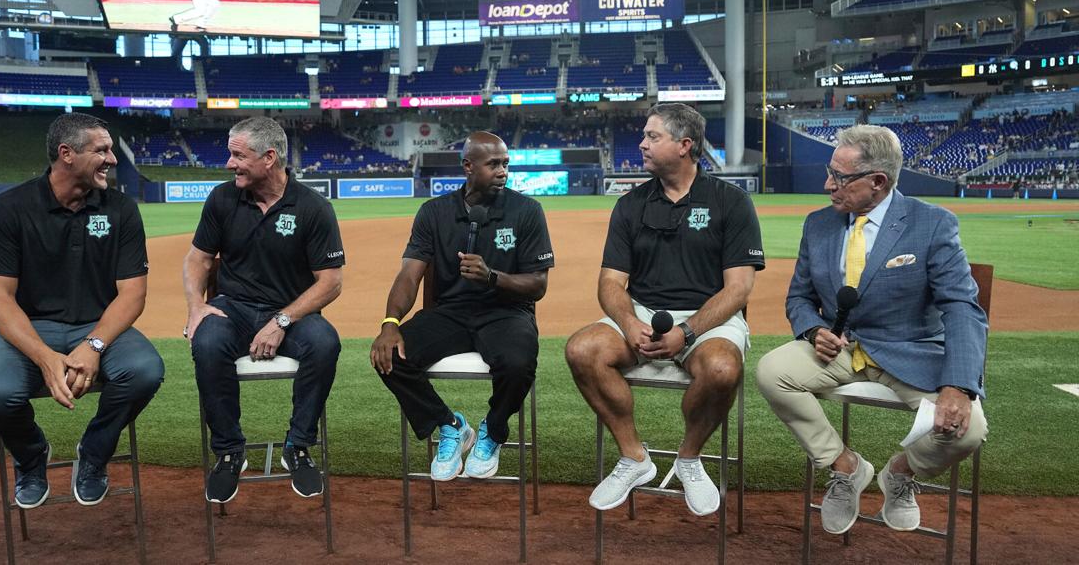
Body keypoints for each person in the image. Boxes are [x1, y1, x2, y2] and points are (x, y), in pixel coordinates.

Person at [756, 124, 988, 535]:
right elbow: (799, 299)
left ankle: (900, 474)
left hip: (911, 350)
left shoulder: (932, 223)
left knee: (968, 431)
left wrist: (959, 385)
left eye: (839, 177)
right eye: (830, 173)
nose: (828, 185)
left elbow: (962, 308)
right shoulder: (819, 224)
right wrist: (813, 330)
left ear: (877, 182)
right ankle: (847, 468)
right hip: (841, 348)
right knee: (772, 372)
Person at [566, 103, 764, 516]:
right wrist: (628, 321)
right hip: (641, 311)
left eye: (653, 136)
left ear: (684, 145)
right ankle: (634, 457)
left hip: (709, 318)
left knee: (723, 370)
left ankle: (689, 458)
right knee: (582, 349)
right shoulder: (631, 204)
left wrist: (687, 332)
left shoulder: (731, 201)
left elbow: (739, 288)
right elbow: (610, 282)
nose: (642, 143)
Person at [0, 113, 164, 509]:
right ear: (66, 154)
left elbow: (132, 295)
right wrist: (43, 357)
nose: (111, 159)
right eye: (102, 150)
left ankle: (94, 453)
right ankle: (32, 455)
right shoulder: (7, 209)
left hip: (99, 325)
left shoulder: (121, 209)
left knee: (145, 372)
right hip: (31, 328)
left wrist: (93, 345)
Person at [370, 131, 554, 481]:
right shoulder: (433, 212)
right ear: (468, 166)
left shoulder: (527, 211)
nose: (503, 172)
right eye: (493, 164)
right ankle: (450, 425)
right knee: (388, 356)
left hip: (507, 312)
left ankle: (494, 430)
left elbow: (538, 284)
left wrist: (491, 277)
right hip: (449, 313)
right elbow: (410, 275)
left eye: (505, 164)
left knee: (517, 365)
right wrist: (390, 322)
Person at [183, 116, 344, 502]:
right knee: (206, 344)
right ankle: (228, 450)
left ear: (269, 157)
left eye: (238, 155)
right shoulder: (222, 199)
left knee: (325, 345)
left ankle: (298, 445)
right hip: (233, 308)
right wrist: (195, 307)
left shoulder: (312, 207)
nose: (229, 163)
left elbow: (331, 282)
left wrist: (281, 320)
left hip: (292, 312)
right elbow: (198, 259)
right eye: (230, 154)